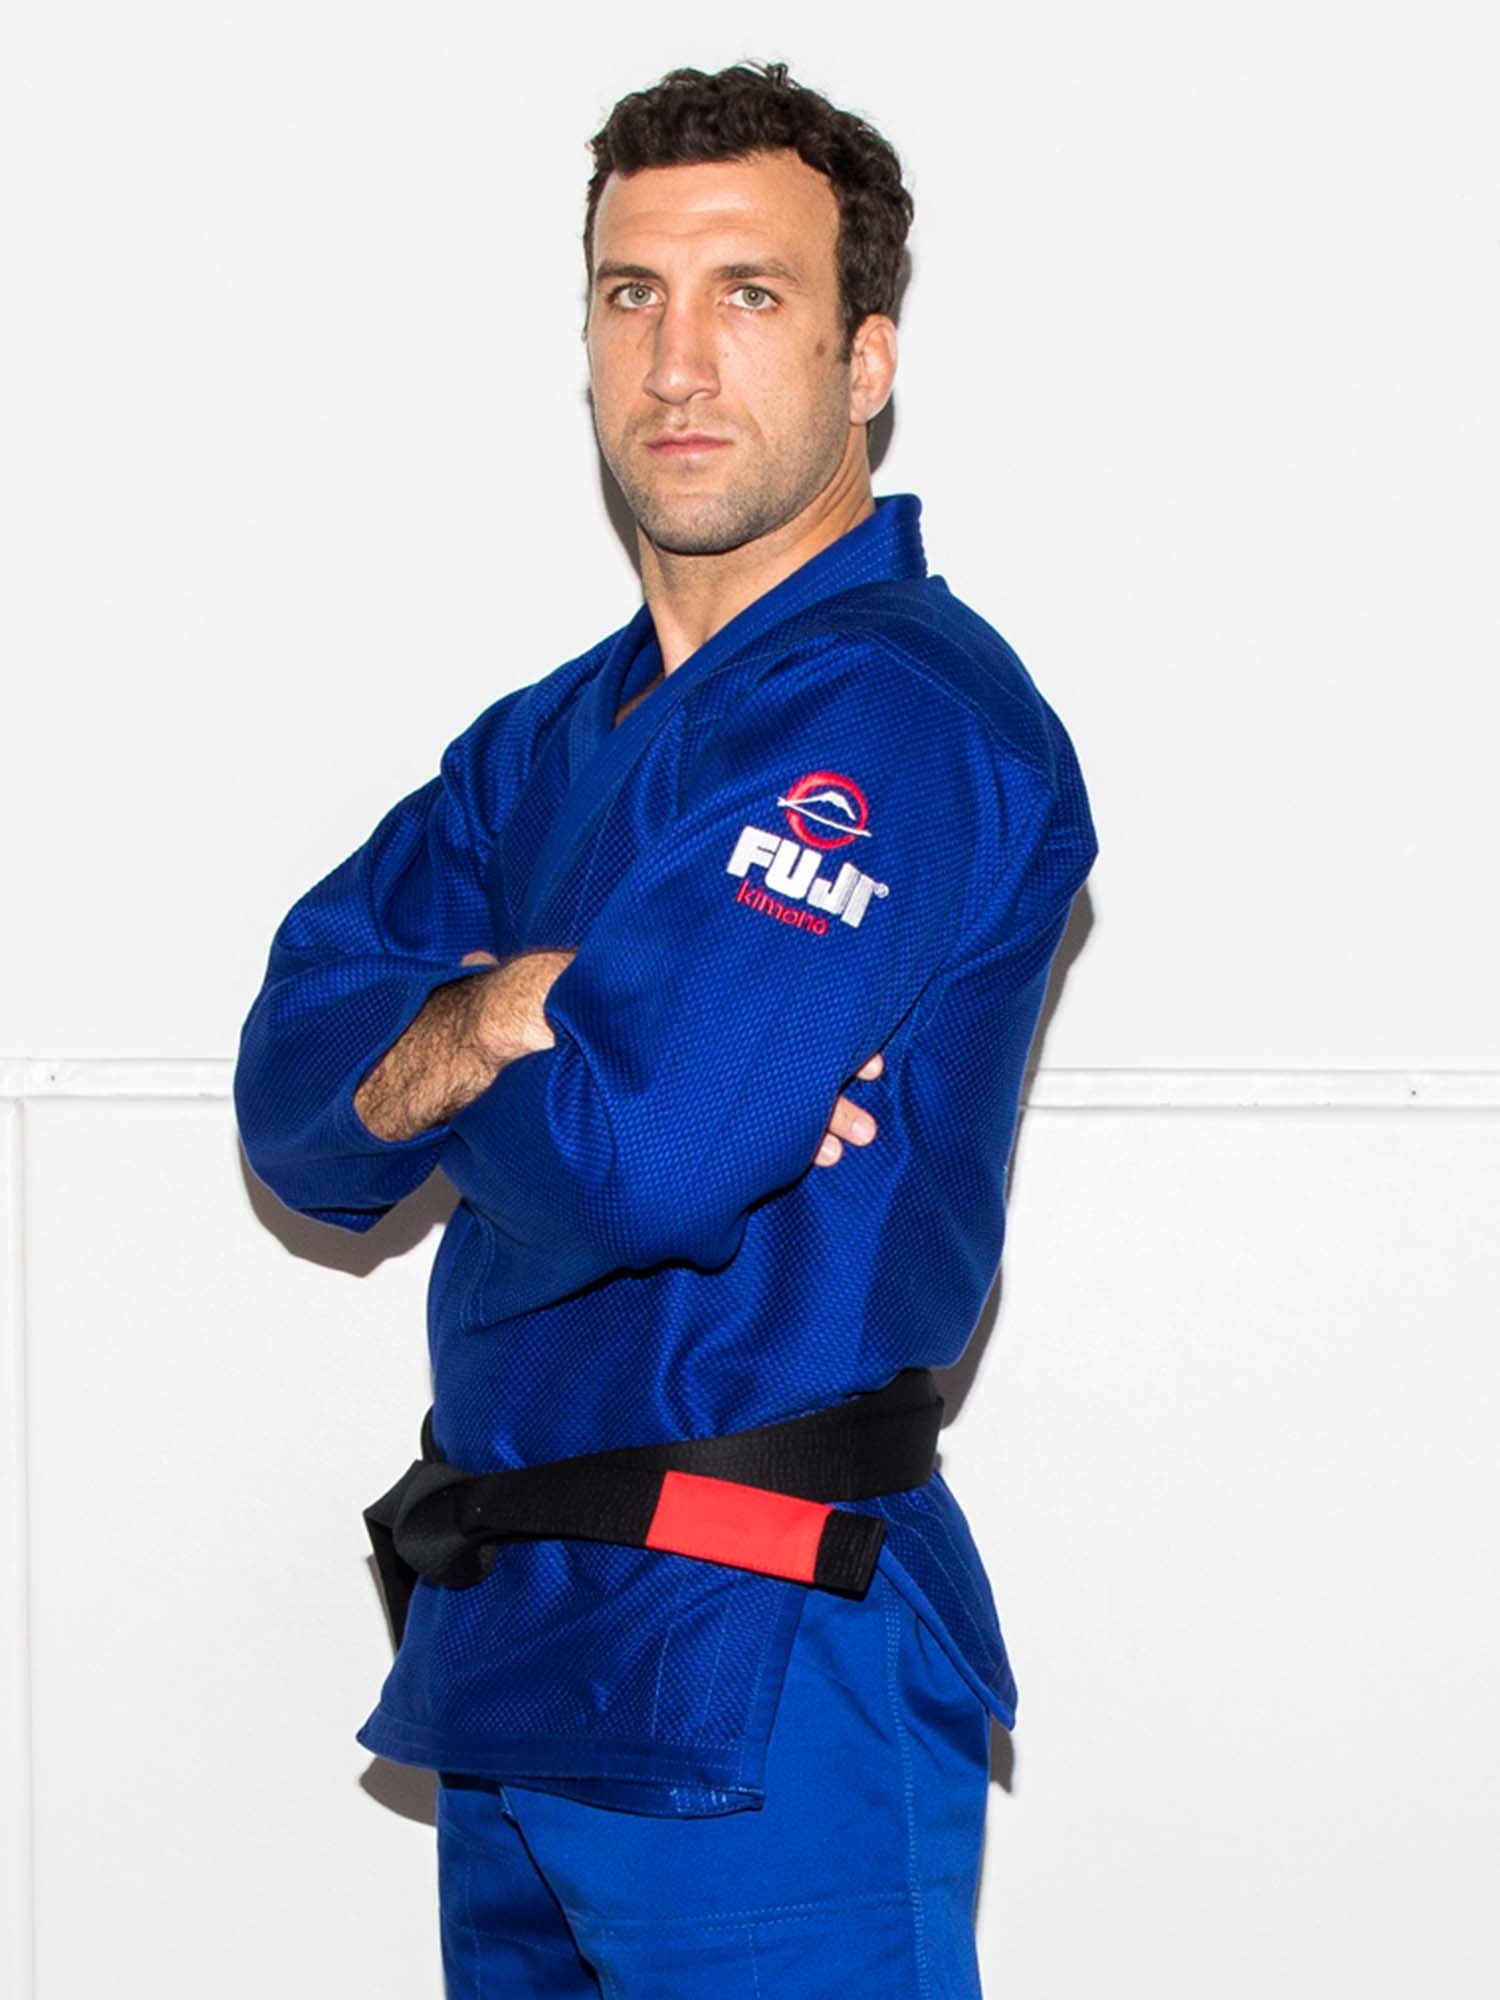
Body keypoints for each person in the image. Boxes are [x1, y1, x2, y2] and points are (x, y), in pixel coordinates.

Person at [235, 58, 1097, 1998]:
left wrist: (482, 1077)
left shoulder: (904, 713)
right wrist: (509, 1017)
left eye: (752, 294)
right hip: (510, 1663)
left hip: (758, 1661)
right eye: (635, 295)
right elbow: (290, 1098)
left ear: (869, 360)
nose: (680, 361)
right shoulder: (544, 743)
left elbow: (649, 1148)